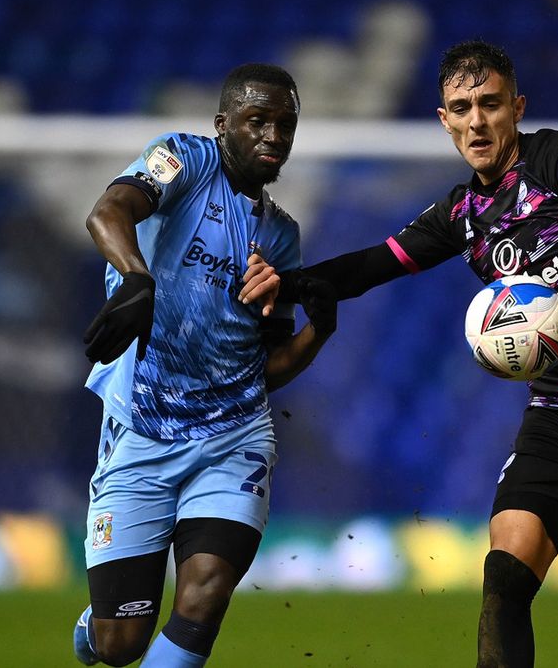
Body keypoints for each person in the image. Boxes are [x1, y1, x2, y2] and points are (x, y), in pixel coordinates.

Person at [241, 40, 558, 666]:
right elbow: (371, 265)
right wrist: (288, 282)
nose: (477, 120)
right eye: (461, 107)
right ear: (444, 119)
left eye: (490, 104)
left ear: (517, 107)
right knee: (506, 573)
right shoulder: (463, 214)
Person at [72, 63, 337, 667]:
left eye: (285, 126)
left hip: (234, 433)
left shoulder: (281, 238)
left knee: (207, 590)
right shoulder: (183, 162)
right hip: (144, 426)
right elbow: (107, 211)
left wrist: (320, 332)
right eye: (257, 121)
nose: (273, 136)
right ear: (222, 126)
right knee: (121, 645)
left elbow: (266, 366)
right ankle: (101, 624)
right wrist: (137, 283)